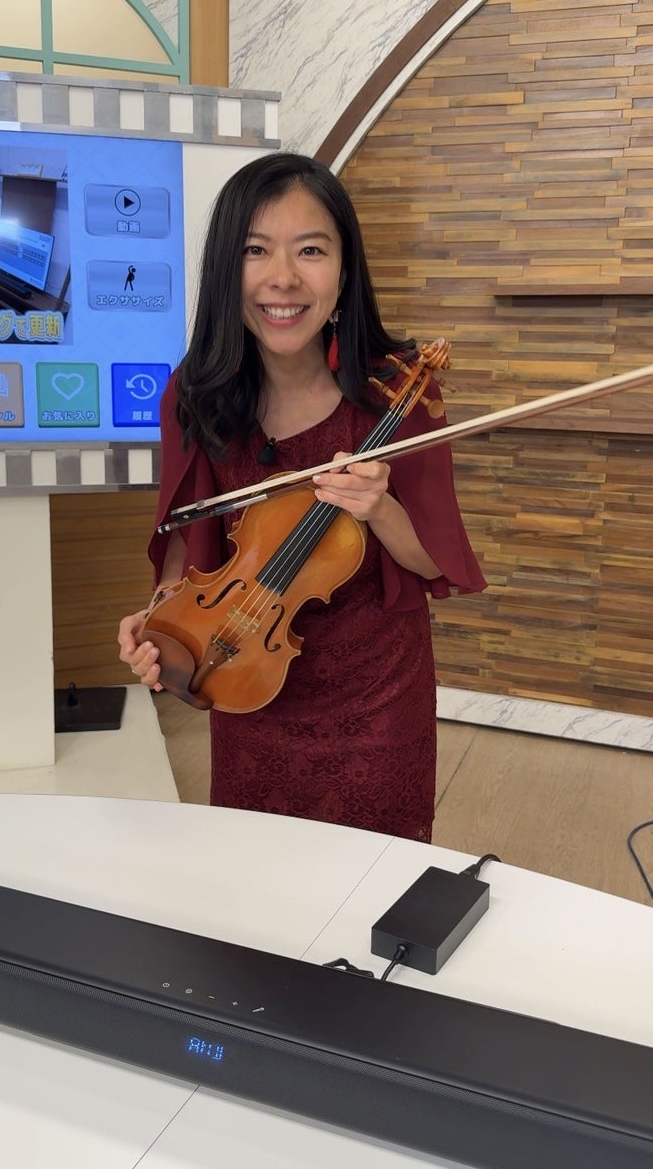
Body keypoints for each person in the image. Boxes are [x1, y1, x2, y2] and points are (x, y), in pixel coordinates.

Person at [118, 153, 485, 842]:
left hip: (376, 697)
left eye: (310, 250)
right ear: (225, 269)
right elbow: (185, 548)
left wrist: (379, 507)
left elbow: (433, 563)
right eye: (255, 250)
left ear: (344, 271)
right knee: (254, 873)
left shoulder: (397, 392)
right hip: (247, 682)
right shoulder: (195, 395)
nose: (283, 278)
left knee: (375, 875)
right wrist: (158, 622)